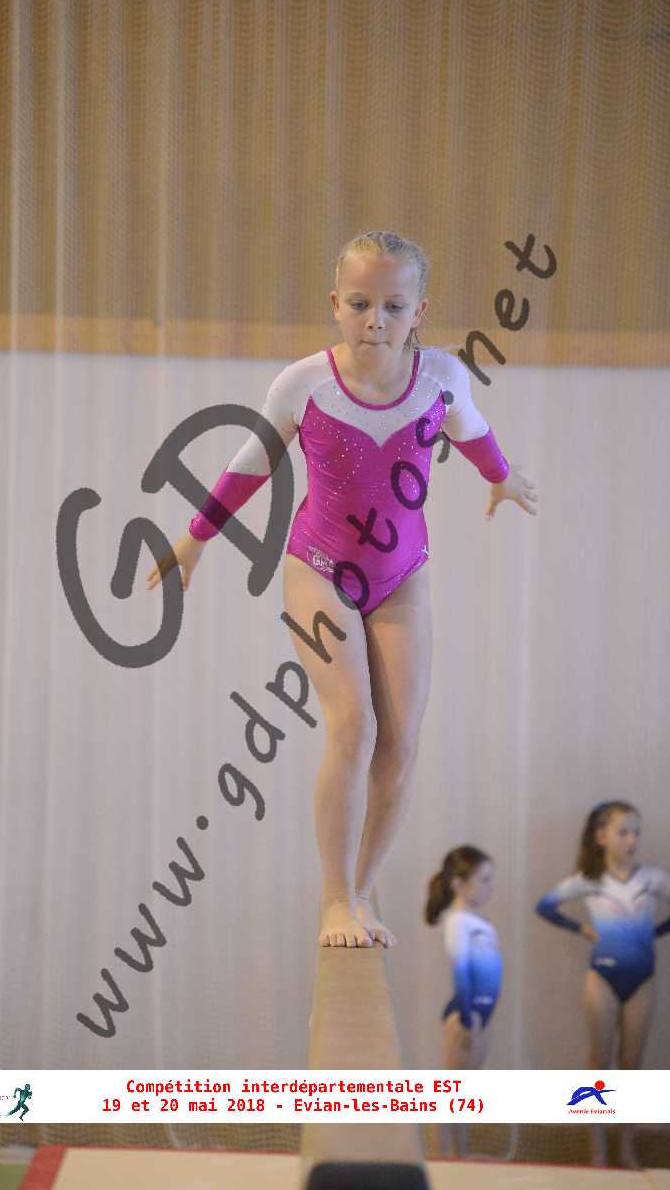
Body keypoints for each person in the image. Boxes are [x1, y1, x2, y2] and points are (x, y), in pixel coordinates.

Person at [148, 229, 538, 948]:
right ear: (335, 303)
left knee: (402, 740)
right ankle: (334, 899)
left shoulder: (441, 377)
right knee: (352, 725)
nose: (375, 321)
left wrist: (502, 478)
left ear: (420, 310)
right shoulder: (305, 383)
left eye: (393, 306)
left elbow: (474, 431)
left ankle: (361, 889)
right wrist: (194, 538)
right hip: (318, 569)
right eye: (359, 304)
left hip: (402, 575)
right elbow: (250, 464)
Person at [535, 800, 670, 1168]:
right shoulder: (589, 880)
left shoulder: (652, 879)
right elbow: (545, 907)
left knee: (631, 1064)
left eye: (636, 833)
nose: (631, 840)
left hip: (642, 979)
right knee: (598, 1062)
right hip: (602, 979)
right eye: (623, 832)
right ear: (601, 837)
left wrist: (655, 933)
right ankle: (597, 1150)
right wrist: (580, 928)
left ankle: (626, 1148)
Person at [425, 846, 502, 1158]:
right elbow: (460, 970)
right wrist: (469, 1019)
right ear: (458, 884)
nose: (490, 887)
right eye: (484, 880)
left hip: (481, 1012)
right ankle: (439, 1156)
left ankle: (461, 1154)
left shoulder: (475, 920)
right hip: (465, 1013)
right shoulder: (458, 921)